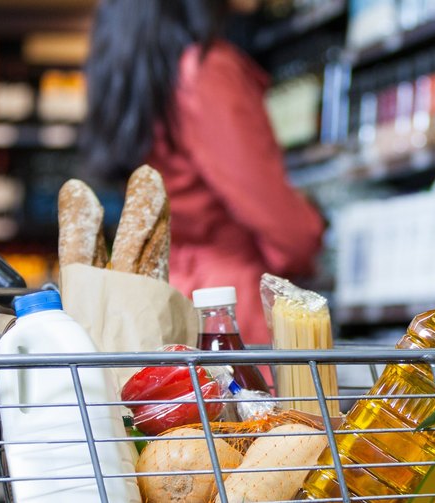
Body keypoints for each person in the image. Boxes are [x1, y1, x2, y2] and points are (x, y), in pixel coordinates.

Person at [83, 0, 324, 345]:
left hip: (169, 297)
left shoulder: (131, 74)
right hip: (231, 307)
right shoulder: (204, 70)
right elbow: (282, 222)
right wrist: (311, 225)